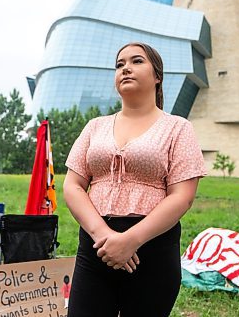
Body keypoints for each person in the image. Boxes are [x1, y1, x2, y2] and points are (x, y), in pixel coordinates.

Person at [63, 42, 206, 316]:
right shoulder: (95, 127)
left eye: (137, 61)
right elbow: (73, 185)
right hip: (96, 249)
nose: (126, 68)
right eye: (120, 64)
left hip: (153, 252)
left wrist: (130, 241)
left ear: (157, 76)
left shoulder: (178, 128)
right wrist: (104, 235)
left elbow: (182, 196)